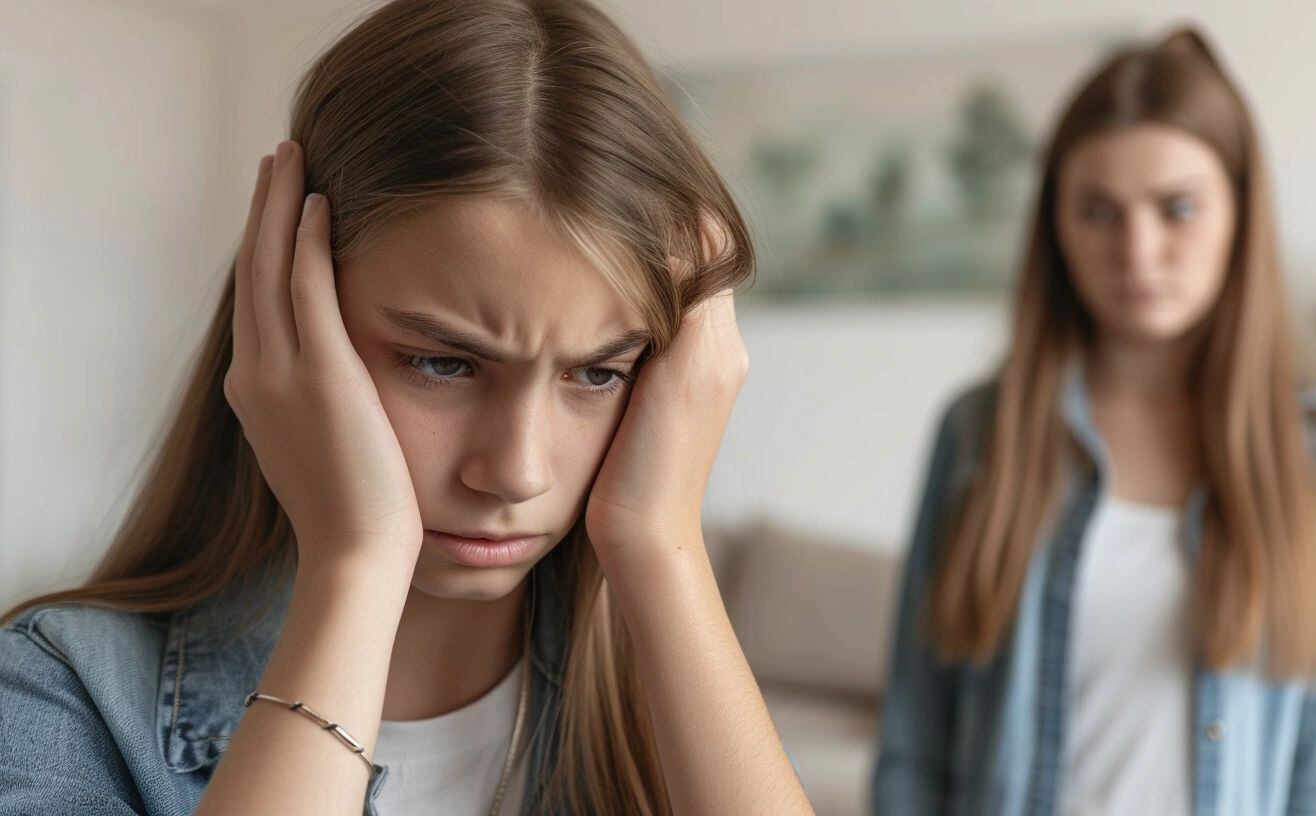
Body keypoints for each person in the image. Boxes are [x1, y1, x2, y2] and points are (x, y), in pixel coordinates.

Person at [0, 1, 813, 814]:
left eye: (598, 373)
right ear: (284, 314)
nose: (516, 472)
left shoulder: (670, 703)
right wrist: (355, 561)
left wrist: (662, 547)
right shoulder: (58, 696)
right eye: (442, 362)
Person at [874, 27, 1316, 816]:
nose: (1138, 251)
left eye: (1177, 207)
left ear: (1241, 214)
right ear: (1055, 224)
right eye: (1099, 212)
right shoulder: (980, 437)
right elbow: (916, 738)